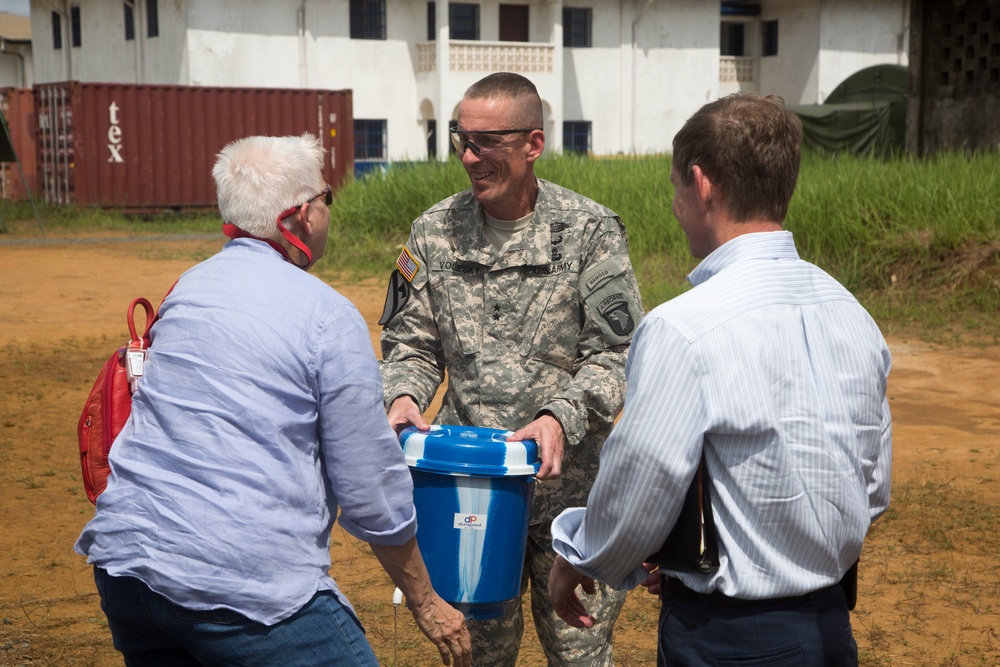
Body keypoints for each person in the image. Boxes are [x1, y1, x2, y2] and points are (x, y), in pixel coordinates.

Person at [74, 134, 471, 667]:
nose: (330, 210)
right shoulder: (328, 317)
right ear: (303, 215)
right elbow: (369, 486)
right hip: (243, 585)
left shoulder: (187, 288)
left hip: (127, 567)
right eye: (328, 199)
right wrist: (426, 602)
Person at [548, 92, 893, 666]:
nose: (678, 207)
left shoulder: (684, 329)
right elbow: (872, 488)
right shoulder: (852, 314)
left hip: (730, 641)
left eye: (676, 190)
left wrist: (580, 553)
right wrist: (696, 550)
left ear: (701, 184)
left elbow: (642, 486)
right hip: (831, 629)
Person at [378, 72, 643, 666]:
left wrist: (559, 415)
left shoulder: (589, 232)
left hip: (567, 496)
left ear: (533, 144)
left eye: (487, 142)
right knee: (476, 656)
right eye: (460, 140)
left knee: (579, 655)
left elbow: (619, 353)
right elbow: (410, 345)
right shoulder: (433, 232)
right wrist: (402, 398)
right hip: (468, 493)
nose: (469, 157)